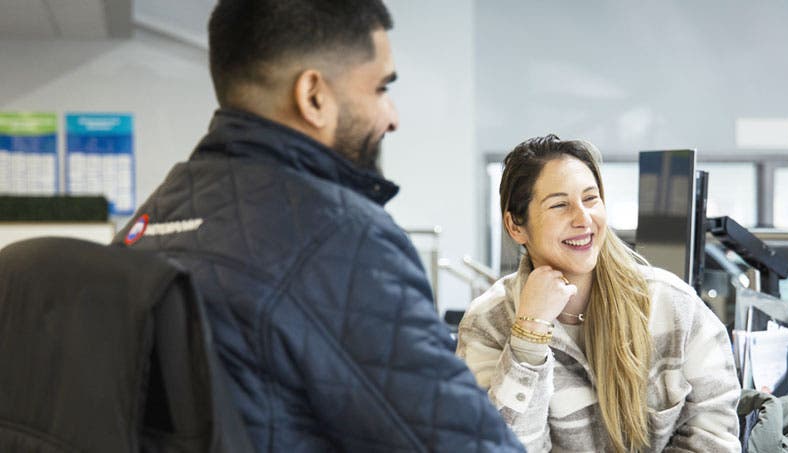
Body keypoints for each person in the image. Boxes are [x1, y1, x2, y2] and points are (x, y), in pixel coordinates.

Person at [114, 1, 523, 451]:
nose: (391, 116)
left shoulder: (146, 224)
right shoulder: (343, 239)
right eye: (380, 88)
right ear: (313, 96)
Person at [456, 134, 741, 452]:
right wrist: (529, 334)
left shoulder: (673, 304)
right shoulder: (489, 322)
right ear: (515, 226)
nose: (583, 219)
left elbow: (716, 437)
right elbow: (500, 447)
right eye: (560, 205)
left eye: (591, 199)